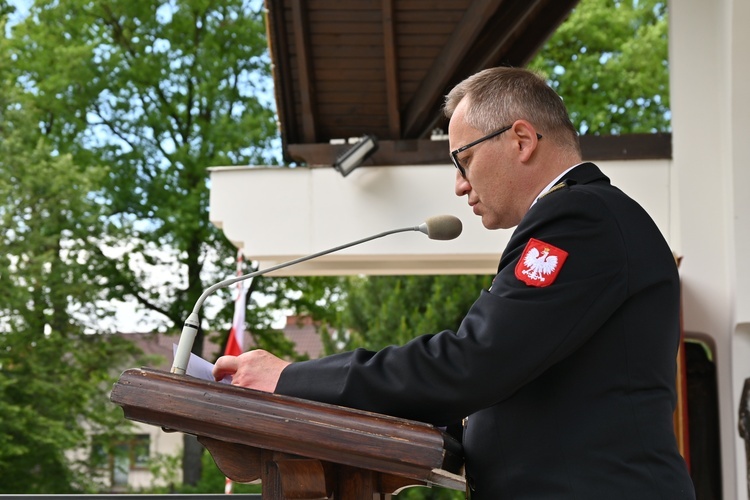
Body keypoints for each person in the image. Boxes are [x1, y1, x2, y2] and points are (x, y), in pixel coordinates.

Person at [214, 67, 696, 499]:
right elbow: (517, 377)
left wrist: (291, 379)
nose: (459, 185)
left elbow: (474, 362)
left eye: (461, 160)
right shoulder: (584, 218)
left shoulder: (580, 218)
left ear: (522, 140)